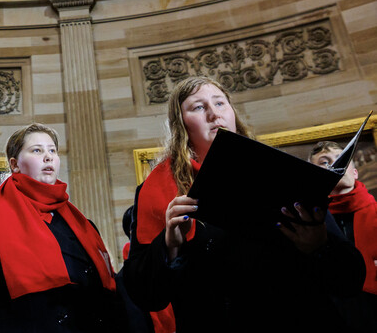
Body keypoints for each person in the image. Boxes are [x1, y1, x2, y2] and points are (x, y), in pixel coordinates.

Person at [124, 75, 366, 332]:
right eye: (198, 107)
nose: (213, 114)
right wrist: (169, 246)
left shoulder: (281, 173)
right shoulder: (158, 190)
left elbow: (350, 279)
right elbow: (145, 295)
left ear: (232, 113)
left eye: (220, 103)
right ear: (181, 124)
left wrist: (320, 247)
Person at [0, 123, 124, 332]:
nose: (48, 157)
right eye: (37, 150)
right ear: (15, 164)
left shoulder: (84, 227)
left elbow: (107, 299)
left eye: (52, 150)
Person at [310, 140, 377, 324]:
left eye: (342, 160)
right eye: (324, 162)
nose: (335, 165)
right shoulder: (308, 221)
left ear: (355, 172)